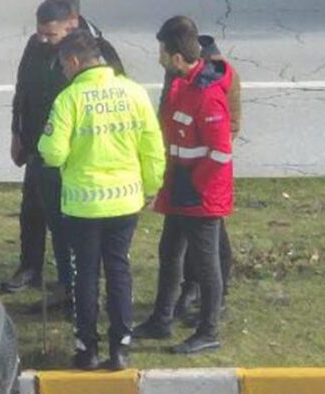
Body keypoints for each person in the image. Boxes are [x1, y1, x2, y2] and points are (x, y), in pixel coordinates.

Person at [38, 30, 166, 370]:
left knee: (85, 274)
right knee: (119, 269)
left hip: (83, 205)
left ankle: (87, 348)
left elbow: (52, 153)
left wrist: (51, 152)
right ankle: (121, 346)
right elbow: (152, 148)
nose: (64, 72)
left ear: (75, 61)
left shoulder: (70, 99)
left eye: (64, 65)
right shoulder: (134, 92)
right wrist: (151, 187)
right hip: (125, 201)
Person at [2, 0, 125, 305]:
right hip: (37, 144)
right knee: (32, 210)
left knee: (63, 221)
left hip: (71, 153)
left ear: (72, 25)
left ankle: (69, 285)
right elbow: (23, 89)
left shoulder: (98, 51)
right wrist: (17, 131)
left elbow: (113, 97)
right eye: (40, 33)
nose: (43, 40)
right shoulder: (35, 46)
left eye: (50, 35)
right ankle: (30, 265)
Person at [133, 16, 234, 354]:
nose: (159, 57)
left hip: (200, 195)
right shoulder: (181, 83)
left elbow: (220, 151)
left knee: (206, 264)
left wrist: (195, 184)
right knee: (169, 252)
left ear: (177, 57)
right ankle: (161, 319)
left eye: (162, 51)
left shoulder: (206, 96)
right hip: (180, 187)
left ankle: (209, 330)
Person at [171, 35, 241, 323]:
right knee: (191, 238)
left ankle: (215, 303)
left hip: (204, 177)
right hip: (187, 171)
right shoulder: (183, 73)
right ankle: (192, 288)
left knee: (212, 243)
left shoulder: (214, 78)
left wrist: (200, 176)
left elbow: (227, 130)